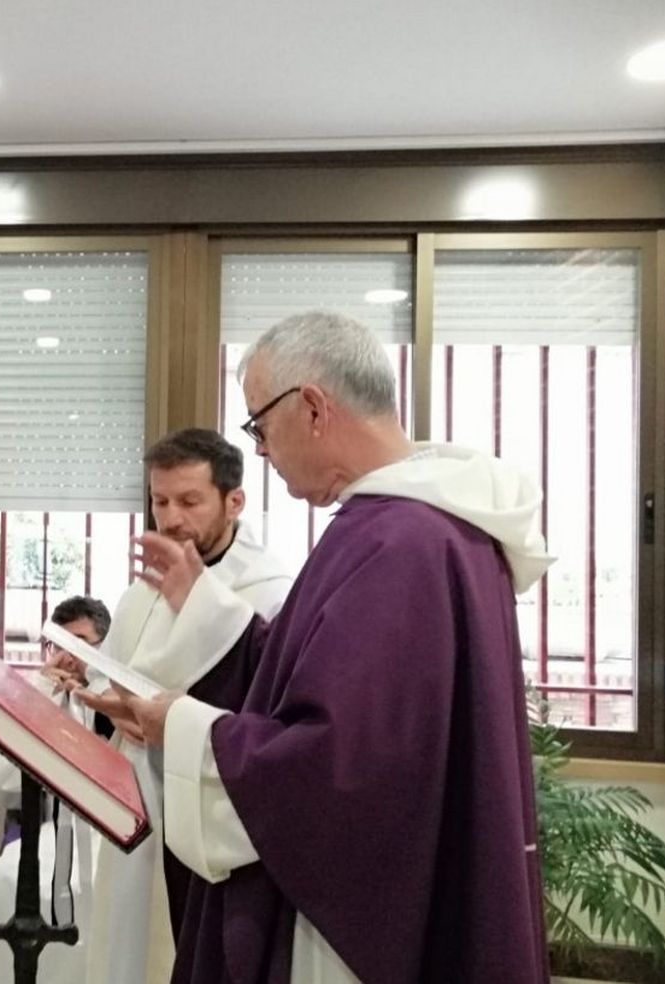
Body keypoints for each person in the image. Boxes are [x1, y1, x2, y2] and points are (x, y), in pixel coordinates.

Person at [84, 311, 553, 983]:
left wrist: (177, 724)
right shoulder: (424, 525)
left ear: (311, 407)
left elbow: (336, 767)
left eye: (259, 424)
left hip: (360, 923)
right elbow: (318, 682)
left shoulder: (398, 543)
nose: (261, 450)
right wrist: (207, 611)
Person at [84, 428, 296, 984]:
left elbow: (270, 718)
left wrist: (172, 722)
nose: (170, 519)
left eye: (189, 501)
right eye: (160, 501)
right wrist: (106, 707)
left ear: (234, 501)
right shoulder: (143, 591)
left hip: (210, 818)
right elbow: (111, 674)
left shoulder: (270, 593)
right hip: (137, 803)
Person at [0, 594, 110, 984]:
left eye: (79, 644)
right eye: (58, 645)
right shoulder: (37, 695)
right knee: (3, 884)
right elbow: (3, 784)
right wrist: (38, 699)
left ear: (104, 649)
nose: (67, 657)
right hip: (52, 831)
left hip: (108, 837)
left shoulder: (117, 701)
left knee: (101, 894)